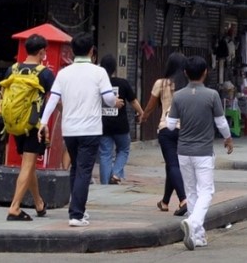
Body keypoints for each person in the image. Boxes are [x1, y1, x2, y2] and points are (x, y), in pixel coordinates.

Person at [37, 34, 120, 227]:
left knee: (76, 167)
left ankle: (76, 207)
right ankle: (76, 214)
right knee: (84, 170)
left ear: (73, 51)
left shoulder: (64, 73)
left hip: (70, 130)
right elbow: (108, 99)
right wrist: (114, 102)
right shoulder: (99, 72)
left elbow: (53, 99)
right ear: (92, 51)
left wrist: (43, 122)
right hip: (90, 129)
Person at [165, 56, 234, 250]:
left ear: (185, 73)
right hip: (203, 151)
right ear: (205, 72)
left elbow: (170, 126)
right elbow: (221, 122)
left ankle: (198, 236)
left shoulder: (178, 96)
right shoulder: (212, 95)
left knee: (191, 191)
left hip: (183, 151)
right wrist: (228, 139)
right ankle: (193, 223)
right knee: (207, 191)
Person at [2, 35, 56, 222]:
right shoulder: (45, 73)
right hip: (34, 125)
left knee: (29, 163)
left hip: (15, 123)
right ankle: (14, 207)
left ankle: (39, 203)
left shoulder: (12, 69)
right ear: (41, 51)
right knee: (27, 164)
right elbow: (55, 100)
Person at [144, 54, 189, 216]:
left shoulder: (161, 83)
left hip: (167, 129)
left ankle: (183, 200)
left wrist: (144, 116)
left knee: (172, 165)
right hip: (185, 130)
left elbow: (150, 105)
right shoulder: (188, 85)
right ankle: (165, 201)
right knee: (172, 164)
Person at [97, 54, 142, 185]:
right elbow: (133, 101)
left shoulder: (98, 85)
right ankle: (116, 173)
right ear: (115, 68)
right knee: (124, 149)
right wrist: (141, 113)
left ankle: (105, 183)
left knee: (105, 154)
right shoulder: (122, 83)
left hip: (103, 125)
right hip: (120, 125)